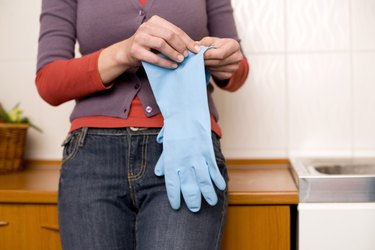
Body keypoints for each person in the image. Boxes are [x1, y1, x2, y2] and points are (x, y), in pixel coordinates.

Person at [35, 0, 249, 249]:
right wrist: (124, 52)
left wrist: (228, 63)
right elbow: (49, 82)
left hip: (187, 151)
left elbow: (238, 70)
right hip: (92, 157)